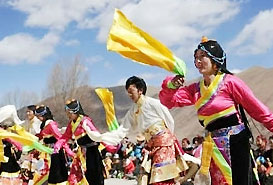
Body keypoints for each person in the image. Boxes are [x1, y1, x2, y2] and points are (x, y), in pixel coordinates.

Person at [159, 36, 273, 185]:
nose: (198, 61)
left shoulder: (230, 82)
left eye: (202, 56)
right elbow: (168, 101)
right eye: (196, 57)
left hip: (235, 142)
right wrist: (172, 85)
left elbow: (258, 109)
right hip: (213, 146)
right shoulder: (195, 89)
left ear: (215, 60)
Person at [81, 76, 195, 185]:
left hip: (164, 143)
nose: (129, 95)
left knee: (162, 178)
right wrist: (98, 136)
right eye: (128, 92)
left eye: (131, 91)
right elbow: (121, 131)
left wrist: (169, 141)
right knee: (148, 178)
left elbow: (169, 120)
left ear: (140, 90)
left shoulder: (153, 103)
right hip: (151, 146)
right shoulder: (132, 111)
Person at [54, 99, 105, 185]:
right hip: (81, 153)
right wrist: (58, 145)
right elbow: (65, 136)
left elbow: (95, 134)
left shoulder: (85, 121)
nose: (68, 115)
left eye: (70, 113)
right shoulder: (71, 124)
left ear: (76, 111)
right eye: (67, 113)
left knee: (93, 176)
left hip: (91, 151)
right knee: (75, 176)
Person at [34, 105, 70, 185]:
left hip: (54, 152)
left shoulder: (51, 124)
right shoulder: (44, 125)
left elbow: (60, 137)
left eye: (39, 116)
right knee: (45, 173)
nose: (38, 118)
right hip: (46, 151)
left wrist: (68, 150)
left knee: (56, 174)